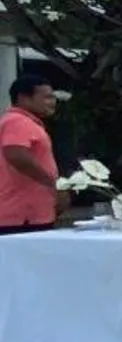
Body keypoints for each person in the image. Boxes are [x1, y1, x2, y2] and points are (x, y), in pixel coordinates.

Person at [0, 71, 63, 233]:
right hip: (21, 215)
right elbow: (15, 154)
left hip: (31, 212)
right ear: (24, 98)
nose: (53, 102)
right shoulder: (17, 121)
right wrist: (53, 185)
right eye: (47, 97)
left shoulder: (26, 122)